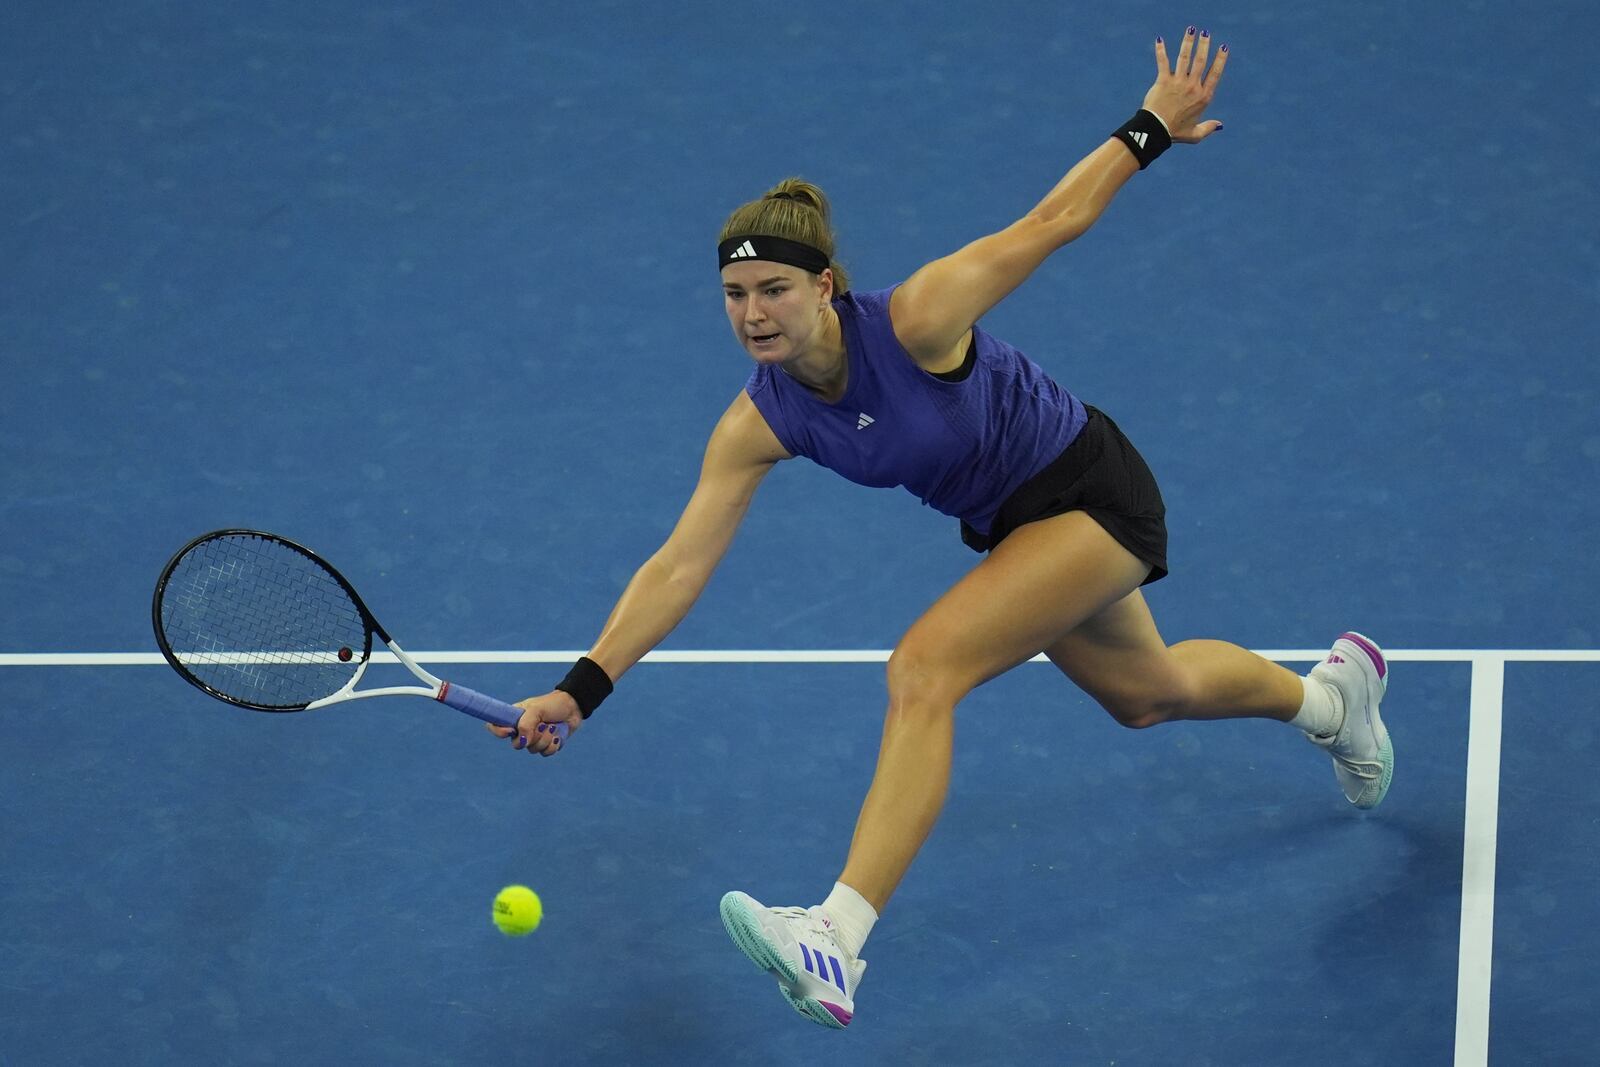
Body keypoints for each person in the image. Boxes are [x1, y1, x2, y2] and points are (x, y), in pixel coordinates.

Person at [488, 27, 1393, 1030]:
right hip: (1013, 526)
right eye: (735, 295)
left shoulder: (917, 318)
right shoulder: (758, 421)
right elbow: (678, 562)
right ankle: (1330, 700)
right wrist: (582, 687)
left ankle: (834, 935)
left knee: (924, 668)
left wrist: (1150, 130)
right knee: (1149, 693)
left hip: (1090, 489)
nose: (752, 312)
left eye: (774, 288)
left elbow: (1049, 221)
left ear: (824, 285)